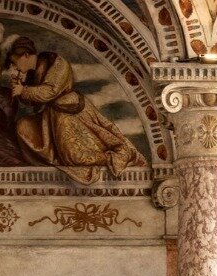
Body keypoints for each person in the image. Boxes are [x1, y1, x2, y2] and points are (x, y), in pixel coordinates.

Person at [9, 39, 147, 184]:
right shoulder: (31, 74)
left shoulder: (56, 62)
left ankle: (113, 157)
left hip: (70, 112)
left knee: (75, 157)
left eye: (14, 62)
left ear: (25, 55)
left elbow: (50, 91)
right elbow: (33, 102)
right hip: (50, 118)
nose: (14, 67)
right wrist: (19, 91)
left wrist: (23, 90)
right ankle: (50, 160)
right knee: (23, 126)